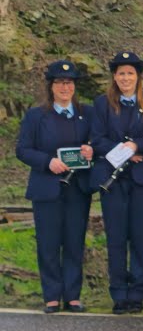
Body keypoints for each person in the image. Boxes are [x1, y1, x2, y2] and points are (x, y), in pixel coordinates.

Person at [90, 51, 143, 314]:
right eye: (121, 73)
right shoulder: (102, 103)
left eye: (130, 74)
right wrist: (122, 150)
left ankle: (137, 292)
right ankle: (119, 293)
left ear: (138, 76)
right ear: (114, 76)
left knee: (140, 237)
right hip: (113, 181)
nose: (125, 78)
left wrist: (139, 146)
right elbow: (97, 139)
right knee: (116, 238)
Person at [16, 60, 93, 313]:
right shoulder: (36, 116)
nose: (64, 87)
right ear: (51, 86)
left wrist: (91, 150)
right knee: (48, 243)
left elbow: (97, 143)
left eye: (69, 83)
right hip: (46, 188)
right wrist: (47, 162)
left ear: (74, 86)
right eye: (59, 82)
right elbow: (22, 149)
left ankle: (72, 295)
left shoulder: (87, 113)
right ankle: (51, 295)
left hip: (77, 189)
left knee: (74, 242)